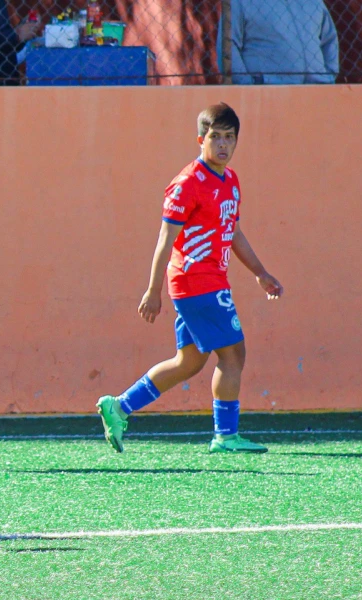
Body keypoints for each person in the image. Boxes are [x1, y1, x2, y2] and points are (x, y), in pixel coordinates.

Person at [97, 103, 284, 454]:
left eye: (230, 138)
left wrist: (260, 272)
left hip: (210, 280)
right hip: (197, 281)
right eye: (216, 137)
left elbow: (234, 233)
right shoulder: (187, 184)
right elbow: (165, 239)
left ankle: (119, 406)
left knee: (190, 361)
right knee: (233, 355)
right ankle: (225, 437)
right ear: (201, 139)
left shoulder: (231, 180)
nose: (223, 145)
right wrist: (153, 289)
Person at [229, 0, 340, 84]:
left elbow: (329, 39)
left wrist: (328, 77)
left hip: (317, 88)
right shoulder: (241, 2)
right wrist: (246, 84)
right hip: (269, 91)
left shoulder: (313, 2)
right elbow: (229, 44)